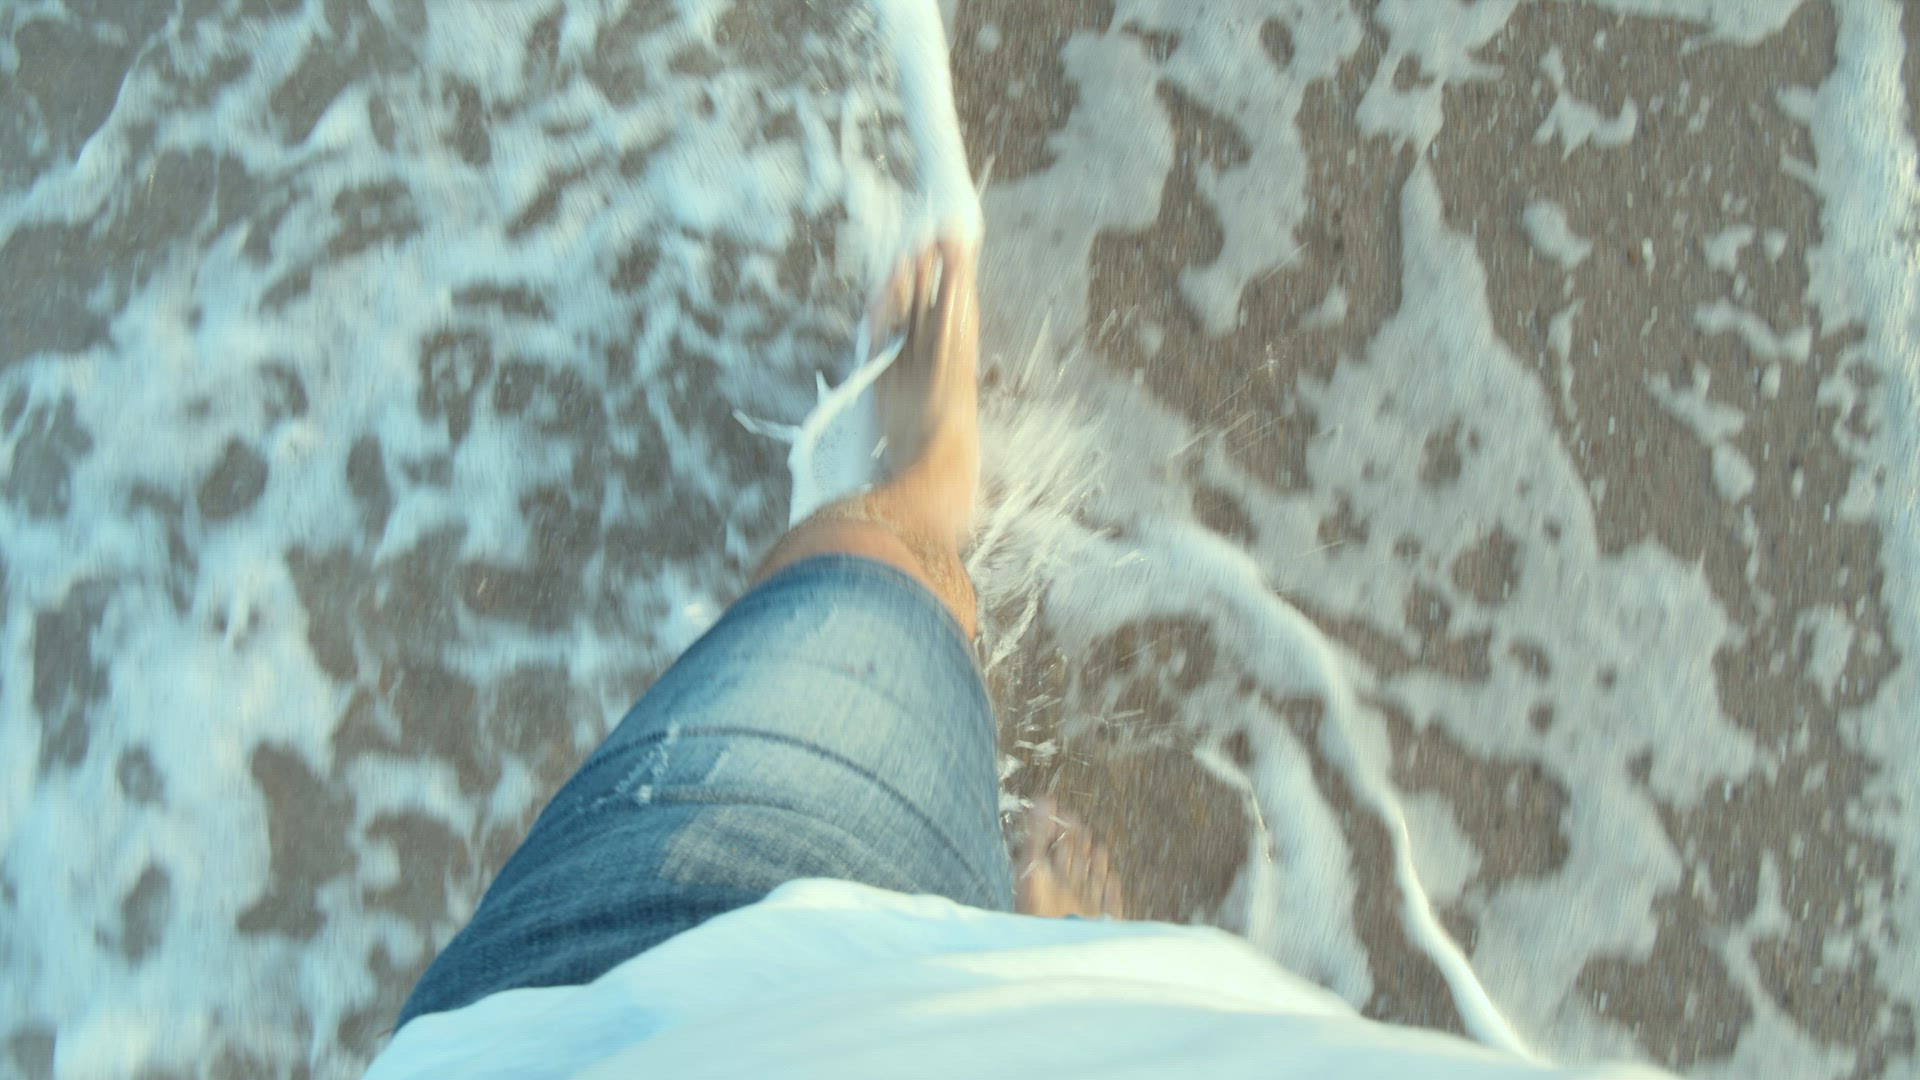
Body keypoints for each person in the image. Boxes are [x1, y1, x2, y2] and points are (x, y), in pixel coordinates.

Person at [365, 241, 1668, 1078]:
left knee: (864, 589)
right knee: (872, 609)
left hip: (638, 1025)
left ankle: (923, 511)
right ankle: (1049, 985)